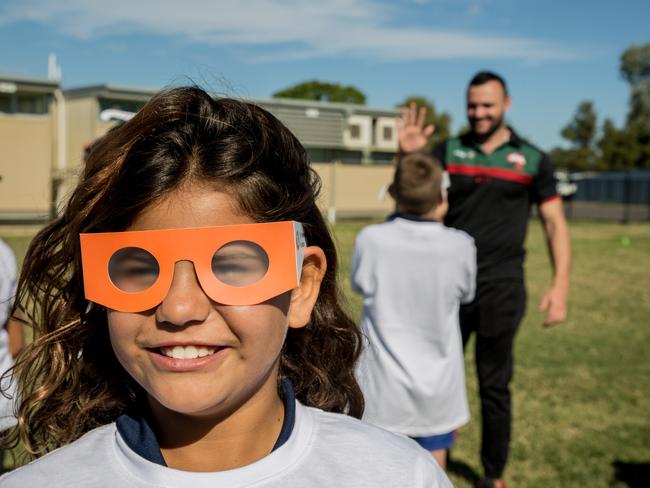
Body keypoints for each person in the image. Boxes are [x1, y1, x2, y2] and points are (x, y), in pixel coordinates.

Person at [0, 86, 451, 487]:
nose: (178, 309)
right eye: (137, 268)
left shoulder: (398, 475)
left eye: (231, 265)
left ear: (300, 288)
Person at [399, 71, 571, 488]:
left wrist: (560, 285)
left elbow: (553, 223)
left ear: (506, 104)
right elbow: (411, 195)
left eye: (487, 105)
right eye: (472, 105)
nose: (478, 113)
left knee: (495, 384)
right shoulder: (448, 150)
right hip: (446, 288)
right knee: (436, 378)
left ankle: (492, 475)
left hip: (502, 286)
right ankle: (432, 465)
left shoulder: (532, 158)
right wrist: (407, 156)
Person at [352, 152, 476, 470]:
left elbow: (360, 284)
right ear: (441, 196)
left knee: (379, 468)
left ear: (393, 193)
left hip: (382, 388)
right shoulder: (461, 244)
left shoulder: (372, 239)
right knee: (432, 469)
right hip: (437, 387)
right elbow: (466, 293)